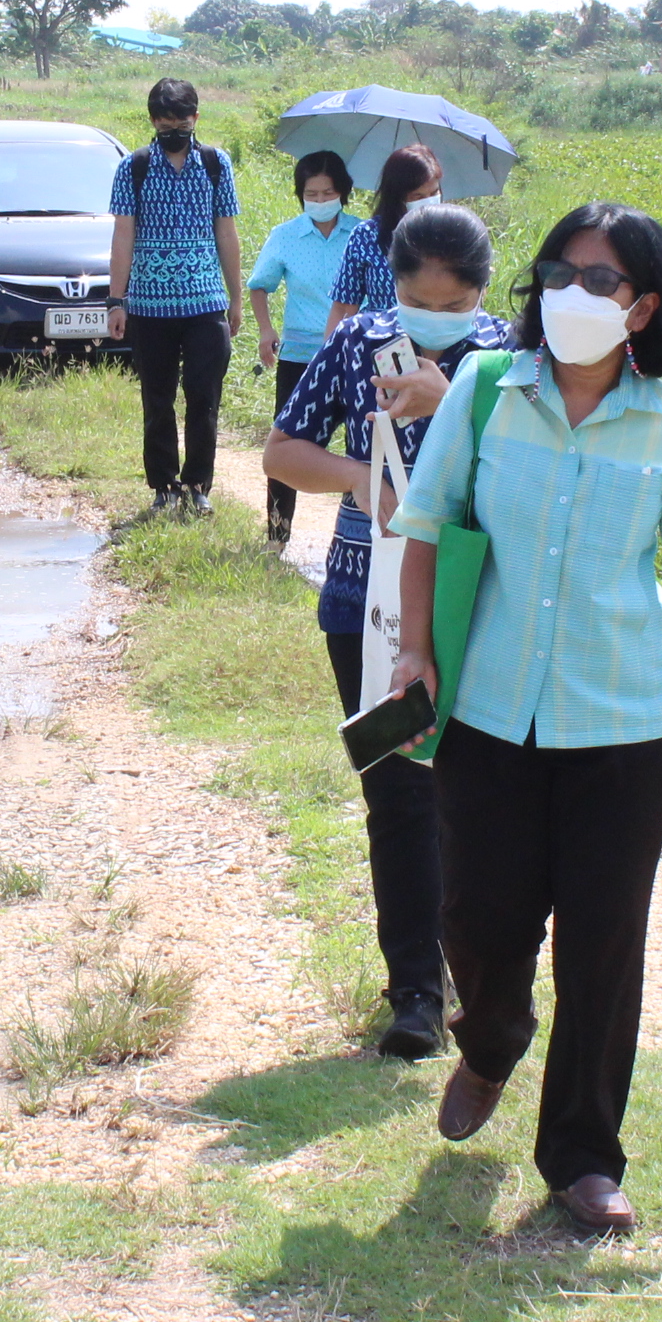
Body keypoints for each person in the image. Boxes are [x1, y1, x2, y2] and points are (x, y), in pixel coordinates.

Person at [388, 201, 662, 1235]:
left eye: (601, 280)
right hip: (488, 712)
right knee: (478, 922)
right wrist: (413, 647)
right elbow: (428, 522)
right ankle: (491, 1040)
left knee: (604, 944)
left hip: (624, 723)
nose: (573, 294)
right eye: (558, 273)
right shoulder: (484, 392)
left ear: (644, 305)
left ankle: (581, 1155)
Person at [264, 202, 514, 1060]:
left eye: (455, 305)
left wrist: (458, 398)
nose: (437, 319)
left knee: (479, 800)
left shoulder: (513, 359)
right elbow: (281, 451)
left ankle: (483, 984)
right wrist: (359, 481)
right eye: (421, 300)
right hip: (364, 608)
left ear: (480, 293)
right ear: (394, 284)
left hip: (481, 604)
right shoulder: (360, 344)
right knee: (398, 794)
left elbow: (539, 468)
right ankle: (415, 991)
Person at [104, 76, 243, 519]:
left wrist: (235, 299)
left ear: (196, 118)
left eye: (181, 121)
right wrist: (115, 300)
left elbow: (227, 233)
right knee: (157, 400)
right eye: (165, 123)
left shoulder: (216, 164)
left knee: (204, 399)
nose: (174, 130)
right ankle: (164, 487)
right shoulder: (134, 167)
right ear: (153, 122)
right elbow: (123, 235)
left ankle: (199, 486)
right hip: (148, 307)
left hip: (205, 304)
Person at [243, 151, 355, 548]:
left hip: (352, 357)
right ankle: (277, 536)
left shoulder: (361, 236)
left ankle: (359, 535)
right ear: (300, 194)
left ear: (343, 193)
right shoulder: (285, 235)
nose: (321, 199)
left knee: (361, 447)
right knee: (287, 445)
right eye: (312, 192)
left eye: (328, 192)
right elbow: (259, 283)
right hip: (299, 358)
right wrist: (265, 329)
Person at [324, 143, 441, 335]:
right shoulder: (368, 236)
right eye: (417, 196)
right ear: (397, 197)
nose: (427, 201)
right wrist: (329, 356)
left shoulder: (454, 233)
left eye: (434, 193)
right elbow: (344, 307)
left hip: (436, 339)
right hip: (380, 344)